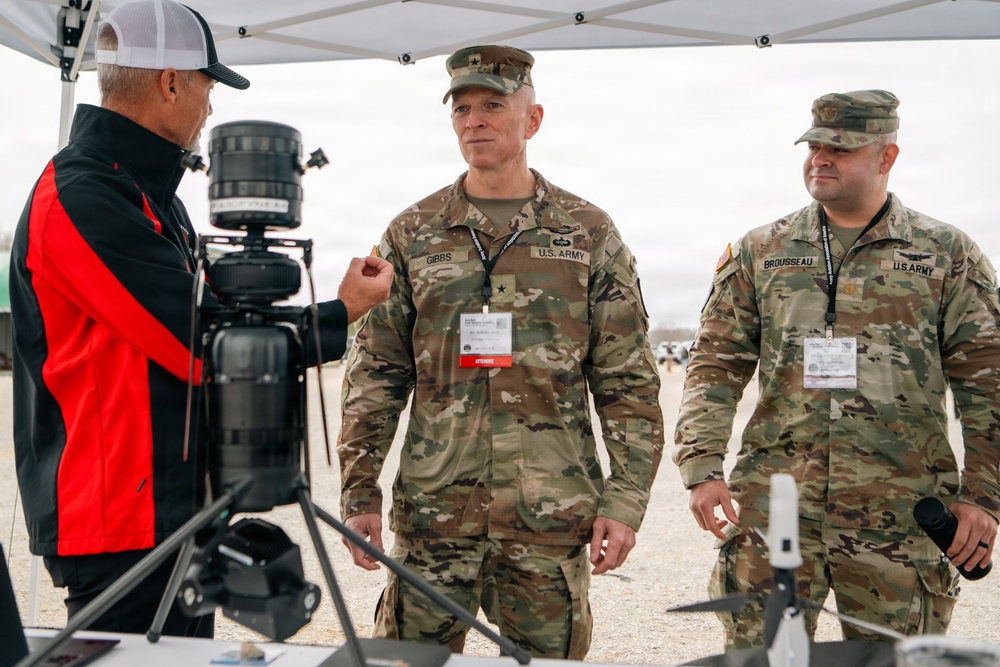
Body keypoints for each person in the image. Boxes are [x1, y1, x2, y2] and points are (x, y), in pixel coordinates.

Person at [9, 0, 392, 637]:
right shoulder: (80, 197)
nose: (210, 107)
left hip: (172, 511)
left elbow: (216, 317)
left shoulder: (149, 197)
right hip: (119, 526)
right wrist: (341, 312)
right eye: (207, 87)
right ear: (169, 83)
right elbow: (202, 342)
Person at [337, 45, 663, 659]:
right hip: (435, 519)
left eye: (492, 105)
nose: (473, 120)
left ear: (532, 120)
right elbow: (376, 371)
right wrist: (360, 494)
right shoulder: (413, 231)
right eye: (461, 108)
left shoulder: (587, 232)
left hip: (549, 520)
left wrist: (625, 502)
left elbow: (628, 384)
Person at [673, 89, 1000, 650]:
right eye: (815, 145)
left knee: (893, 663)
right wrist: (702, 466)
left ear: (886, 157)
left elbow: (987, 380)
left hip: (898, 515)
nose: (821, 158)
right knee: (763, 659)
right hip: (776, 511)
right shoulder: (762, 250)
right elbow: (713, 365)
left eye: (841, 148)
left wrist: (983, 494)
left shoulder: (945, 253)